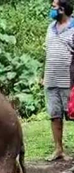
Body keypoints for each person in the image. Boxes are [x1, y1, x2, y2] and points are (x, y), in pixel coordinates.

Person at [43, 0, 74, 163]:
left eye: (54, 7)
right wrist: (44, 75)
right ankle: (58, 149)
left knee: (73, 116)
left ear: (62, 9)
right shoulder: (50, 28)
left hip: (68, 81)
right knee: (54, 116)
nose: (52, 9)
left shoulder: (73, 28)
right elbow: (47, 53)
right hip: (51, 80)